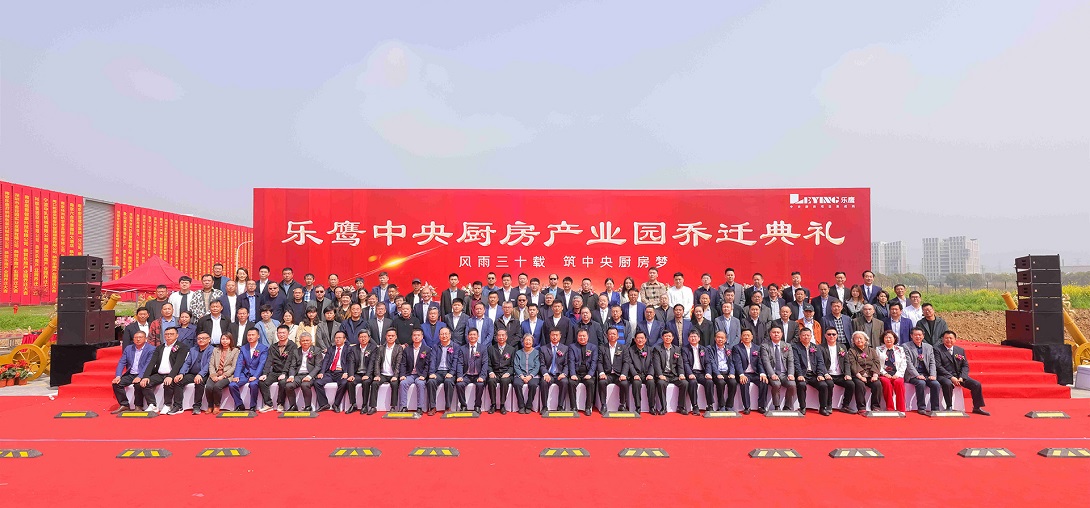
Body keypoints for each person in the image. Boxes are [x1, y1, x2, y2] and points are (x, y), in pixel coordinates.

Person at [935, 330, 989, 415]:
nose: (948, 340)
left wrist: (962, 377)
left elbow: (965, 365)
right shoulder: (937, 349)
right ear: (942, 339)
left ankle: (977, 407)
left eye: (951, 338)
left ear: (955, 340)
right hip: (944, 375)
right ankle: (949, 406)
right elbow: (938, 366)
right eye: (946, 338)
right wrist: (951, 377)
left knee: (976, 384)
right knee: (947, 383)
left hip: (959, 375)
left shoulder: (960, 350)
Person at [139, 326, 189, 414]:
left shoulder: (182, 347)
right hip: (159, 374)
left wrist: (171, 376)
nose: (168, 336)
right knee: (145, 383)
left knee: (168, 383)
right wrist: (145, 376)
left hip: (173, 373)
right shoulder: (159, 348)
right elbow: (152, 362)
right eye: (166, 334)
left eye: (171, 334)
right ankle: (152, 404)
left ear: (177, 335)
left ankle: (167, 405)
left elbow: (178, 363)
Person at [110, 330, 155, 413]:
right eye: (136, 338)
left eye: (140, 337)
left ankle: (138, 406)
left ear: (145, 339)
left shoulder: (151, 349)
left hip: (144, 374)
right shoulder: (129, 348)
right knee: (117, 384)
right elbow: (122, 362)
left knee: (138, 384)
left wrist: (140, 376)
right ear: (133, 339)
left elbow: (148, 364)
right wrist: (118, 376)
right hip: (131, 374)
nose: (138, 339)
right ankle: (124, 405)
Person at [258, 325, 298, 413]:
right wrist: (265, 374)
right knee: (262, 382)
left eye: (283, 333)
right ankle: (268, 404)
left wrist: (284, 373)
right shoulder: (273, 347)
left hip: (287, 372)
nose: (281, 335)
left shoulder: (293, 346)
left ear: (288, 333)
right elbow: (269, 361)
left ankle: (280, 403)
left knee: (283, 382)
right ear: (277, 334)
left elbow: (290, 361)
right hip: (275, 372)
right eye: (279, 333)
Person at [792, 328, 831, 415]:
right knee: (801, 385)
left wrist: (820, 374)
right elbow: (796, 362)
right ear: (800, 336)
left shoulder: (815, 347)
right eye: (804, 335)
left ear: (811, 336)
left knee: (823, 385)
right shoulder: (795, 347)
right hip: (802, 374)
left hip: (813, 374)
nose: (806, 337)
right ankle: (802, 407)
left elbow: (820, 362)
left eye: (808, 335)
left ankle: (823, 408)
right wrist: (799, 374)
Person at [315, 331, 356, 412]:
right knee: (317, 382)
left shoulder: (349, 349)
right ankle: (324, 404)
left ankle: (336, 404)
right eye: (336, 338)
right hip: (330, 373)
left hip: (341, 373)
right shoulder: (331, 349)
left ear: (344, 339)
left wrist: (346, 372)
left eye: (340, 338)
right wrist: (322, 372)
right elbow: (325, 361)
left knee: (344, 383)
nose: (337, 339)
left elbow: (350, 362)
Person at [174, 331, 213, 415]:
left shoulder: (212, 350)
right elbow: (187, 363)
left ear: (209, 339)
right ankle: (178, 406)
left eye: (203, 338)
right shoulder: (193, 349)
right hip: (192, 373)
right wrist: (181, 373)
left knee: (199, 382)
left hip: (205, 374)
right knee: (178, 381)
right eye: (199, 338)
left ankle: (197, 406)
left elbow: (209, 364)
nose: (201, 340)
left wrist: (200, 374)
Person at [230, 328, 269, 411]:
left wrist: (255, 376)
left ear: (258, 336)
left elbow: (262, 363)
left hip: (257, 373)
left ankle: (253, 406)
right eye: (249, 335)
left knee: (253, 384)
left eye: (253, 335)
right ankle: (239, 404)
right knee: (232, 385)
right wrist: (236, 375)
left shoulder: (263, 348)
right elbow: (239, 363)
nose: (250, 337)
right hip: (245, 373)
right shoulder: (243, 348)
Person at [818, 329, 856, 413]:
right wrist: (825, 373)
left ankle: (845, 405)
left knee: (851, 384)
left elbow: (846, 362)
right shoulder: (820, 347)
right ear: (825, 336)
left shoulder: (842, 347)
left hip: (840, 374)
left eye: (834, 334)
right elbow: (820, 363)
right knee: (829, 384)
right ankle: (828, 405)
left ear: (837, 335)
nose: (831, 336)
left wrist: (847, 374)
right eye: (829, 334)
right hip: (828, 374)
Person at [759, 326, 796, 412]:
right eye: (774, 332)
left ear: (781, 334)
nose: (776, 334)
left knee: (792, 384)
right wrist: (772, 374)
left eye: (778, 332)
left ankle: (787, 406)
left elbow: (790, 361)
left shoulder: (787, 346)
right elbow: (766, 362)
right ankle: (777, 406)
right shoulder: (765, 346)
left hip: (784, 373)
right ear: (770, 334)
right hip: (773, 373)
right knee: (776, 384)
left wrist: (791, 374)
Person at [426, 327, 462, 415]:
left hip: (449, 372)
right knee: (431, 381)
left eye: (446, 334)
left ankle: (448, 407)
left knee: (448, 382)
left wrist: (451, 373)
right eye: (442, 334)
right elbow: (432, 360)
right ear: (439, 336)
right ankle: (433, 407)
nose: (444, 336)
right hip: (438, 372)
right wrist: (431, 373)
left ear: (450, 335)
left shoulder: (456, 347)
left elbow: (456, 361)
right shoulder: (435, 347)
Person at [652, 330, 688, 415]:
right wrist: (660, 375)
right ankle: (663, 407)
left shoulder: (677, 349)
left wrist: (681, 374)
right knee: (661, 383)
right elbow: (656, 364)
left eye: (669, 336)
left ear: (672, 338)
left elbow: (680, 364)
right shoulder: (657, 349)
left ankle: (681, 407)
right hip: (663, 374)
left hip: (674, 375)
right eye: (665, 336)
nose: (667, 338)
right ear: (662, 338)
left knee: (685, 383)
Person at [286, 332, 323, 412]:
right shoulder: (296, 351)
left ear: (311, 341)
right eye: (303, 341)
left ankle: (308, 406)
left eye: (307, 340)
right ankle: (293, 406)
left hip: (310, 375)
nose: (305, 342)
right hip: (298, 375)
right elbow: (292, 366)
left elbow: (318, 366)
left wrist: (309, 376)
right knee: (289, 385)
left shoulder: (316, 350)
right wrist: (291, 376)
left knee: (305, 385)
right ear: (300, 342)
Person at [847, 331, 883, 413]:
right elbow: (853, 364)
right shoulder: (851, 351)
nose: (859, 340)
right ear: (853, 341)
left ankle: (875, 406)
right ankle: (861, 407)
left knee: (877, 384)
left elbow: (876, 362)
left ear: (866, 340)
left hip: (871, 374)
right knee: (860, 385)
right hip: (858, 375)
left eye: (861, 338)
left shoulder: (871, 350)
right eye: (856, 339)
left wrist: (875, 375)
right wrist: (861, 376)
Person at [204, 332, 239, 415]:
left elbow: (234, 366)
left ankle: (217, 405)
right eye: (223, 339)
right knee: (208, 387)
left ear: (230, 340)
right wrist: (213, 375)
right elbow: (211, 364)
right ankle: (210, 406)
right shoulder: (216, 350)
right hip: (215, 374)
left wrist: (223, 376)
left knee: (217, 386)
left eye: (227, 339)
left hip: (227, 375)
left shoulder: (235, 350)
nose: (225, 341)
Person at [731, 329, 765, 415]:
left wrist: (762, 373)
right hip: (744, 373)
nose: (746, 337)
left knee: (764, 381)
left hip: (755, 373)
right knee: (744, 382)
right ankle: (747, 407)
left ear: (752, 337)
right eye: (744, 335)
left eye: (748, 335)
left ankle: (761, 406)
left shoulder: (757, 348)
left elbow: (760, 362)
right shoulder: (736, 348)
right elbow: (737, 362)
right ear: (741, 337)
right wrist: (741, 374)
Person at [398, 329, 431, 414]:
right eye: (414, 335)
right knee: (403, 383)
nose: (416, 337)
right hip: (410, 374)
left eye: (418, 335)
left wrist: (424, 375)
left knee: (420, 383)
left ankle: (420, 407)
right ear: (412, 337)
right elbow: (403, 364)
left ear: (422, 337)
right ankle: (403, 406)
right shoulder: (407, 349)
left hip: (420, 375)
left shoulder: (427, 349)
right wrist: (402, 375)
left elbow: (427, 365)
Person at [596, 327, 629, 414]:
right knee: (602, 382)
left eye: (614, 334)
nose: (612, 336)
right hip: (607, 374)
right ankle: (603, 404)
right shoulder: (602, 348)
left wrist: (623, 374)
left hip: (619, 375)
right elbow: (599, 362)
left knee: (624, 383)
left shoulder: (623, 348)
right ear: (607, 336)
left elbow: (626, 362)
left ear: (618, 336)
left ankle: (622, 404)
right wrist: (601, 373)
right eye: (610, 334)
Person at [681, 329, 713, 415]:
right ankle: (695, 406)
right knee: (692, 382)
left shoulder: (704, 349)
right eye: (691, 337)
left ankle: (710, 405)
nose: (693, 338)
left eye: (695, 336)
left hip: (702, 373)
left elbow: (707, 362)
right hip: (691, 373)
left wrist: (708, 373)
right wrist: (690, 373)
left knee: (709, 382)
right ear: (688, 339)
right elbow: (685, 363)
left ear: (699, 338)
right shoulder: (685, 349)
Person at [457, 328, 488, 413]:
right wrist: (459, 376)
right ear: (467, 336)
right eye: (470, 335)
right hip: (466, 375)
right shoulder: (463, 348)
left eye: (474, 334)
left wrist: (482, 376)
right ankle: (463, 405)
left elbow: (485, 363)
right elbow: (460, 363)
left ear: (478, 336)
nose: (472, 336)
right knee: (459, 384)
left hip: (478, 375)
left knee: (480, 385)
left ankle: (477, 406)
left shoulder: (483, 348)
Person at [373, 329, 405, 413]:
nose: (390, 337)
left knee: (394, 384)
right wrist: (377, 375)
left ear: (396, 337)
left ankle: (393, 407)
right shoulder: (381, 348)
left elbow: (398, 363)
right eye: (389, 336)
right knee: (374, 383)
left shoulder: (399, 348)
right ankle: (373, 406)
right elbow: (377, 362)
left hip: (393, 375)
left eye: (392, 336)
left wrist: (395, 376)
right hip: (383, 374)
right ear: (385, 336)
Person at [876, 330, 908, 413]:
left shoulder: (900, 349)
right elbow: (877, 364)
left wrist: (898, 374)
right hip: (884, 374)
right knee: (886, 383)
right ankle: (890, 408)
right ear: (883, 339)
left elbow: (904, 363)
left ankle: (901, 409)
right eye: (886, 337)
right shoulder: (878, 349)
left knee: (899, 382)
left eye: (890, 337)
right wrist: (885, 373)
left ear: (894, 339)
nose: (888, 339)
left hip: (897, 373)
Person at [567, 329, 598, 416]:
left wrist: (590, 374)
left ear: (588, 337)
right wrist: (573, 374)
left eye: (584, 336)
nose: (582, 338)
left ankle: (588, 407)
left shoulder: (593, 347)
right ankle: (573, 407)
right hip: (576, 373)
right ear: (577, 337)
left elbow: (594, 362)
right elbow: (571, 361)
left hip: (587, 373)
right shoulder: (572, 347)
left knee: (590, 383)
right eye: (580, 336)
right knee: (571, 383)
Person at [540, 329, 571, 413]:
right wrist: (545, 374)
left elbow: (567, 364)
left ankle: (560, 406)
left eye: (557, 335)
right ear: (549, 336)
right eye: (553, 335)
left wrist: (564, 373)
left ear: (560, 336)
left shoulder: (565, 348)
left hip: (559, 374)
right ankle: (544, 406)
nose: (555, 337)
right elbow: (542, 364)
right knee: (543, 382)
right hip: (549, 374)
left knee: (565, 382)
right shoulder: (543, 348)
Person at [349, 330, 378, 414]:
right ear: (358, 338)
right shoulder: (354, 348)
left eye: (365, 337)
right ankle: (353, 404)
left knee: (366, 382)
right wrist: (351, 375)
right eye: (361, 337)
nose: (363, 339)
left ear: (369, 338)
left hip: (368, 373)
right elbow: (351, 362)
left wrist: (368, 375)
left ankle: (364, 405)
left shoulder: (373, 348)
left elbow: (372, 362)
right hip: (358, 373)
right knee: (350, 382)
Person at [486, 329, 516, 414]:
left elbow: (513, 365)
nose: (501, 337)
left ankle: (502, 404)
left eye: (503, 335)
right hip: (495, 373)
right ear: (496, 337)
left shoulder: (512, 349)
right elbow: (488, 364)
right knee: (491, 381)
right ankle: (493, 404)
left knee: (504, 381)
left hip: (506, 373)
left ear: (506, 337)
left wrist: (508, 373)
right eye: (499, 335)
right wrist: (491, 372)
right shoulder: (491, 349)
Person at [707, 330, 738, 411]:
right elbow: (712, 362)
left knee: (733, 382)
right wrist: (717, 374)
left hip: (727, 372)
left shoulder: (729, 348)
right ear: (715, 338)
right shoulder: (710, 348)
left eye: (722, 338)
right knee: (721, 383)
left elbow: (732, 362)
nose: (720, 339)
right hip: (717, 373)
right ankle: (721, 405)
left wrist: (732, 373)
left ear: (725, 339)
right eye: (718, 337)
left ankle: (729, 405)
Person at [627, 331, 655, 414]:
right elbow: (629, 364)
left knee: (651, 383)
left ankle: (652, 407)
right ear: (635, 340)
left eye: (642, 338)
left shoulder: (650, 350)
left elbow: (653, 363)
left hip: (647, 374)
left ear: (645, 340)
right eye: (638, 338)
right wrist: (635, 374)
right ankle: (638, 407)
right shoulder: (630, 350)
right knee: (636, 383)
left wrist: (650, 374)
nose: (640, 340)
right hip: (636, 374)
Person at [513, 335, 541, 414]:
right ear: (523, 341)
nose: (528, 342)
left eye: (530, 340)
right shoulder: (518, 352)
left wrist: (530, 376)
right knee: (517, 383)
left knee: (533, 385)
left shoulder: (536, 353)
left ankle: (529, 405)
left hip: (533, 375)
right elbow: (516, 366)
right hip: (520, 375)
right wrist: (522, 376)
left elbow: (537, 366)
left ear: (533, 342)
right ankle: (521, 406)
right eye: (526, 340)